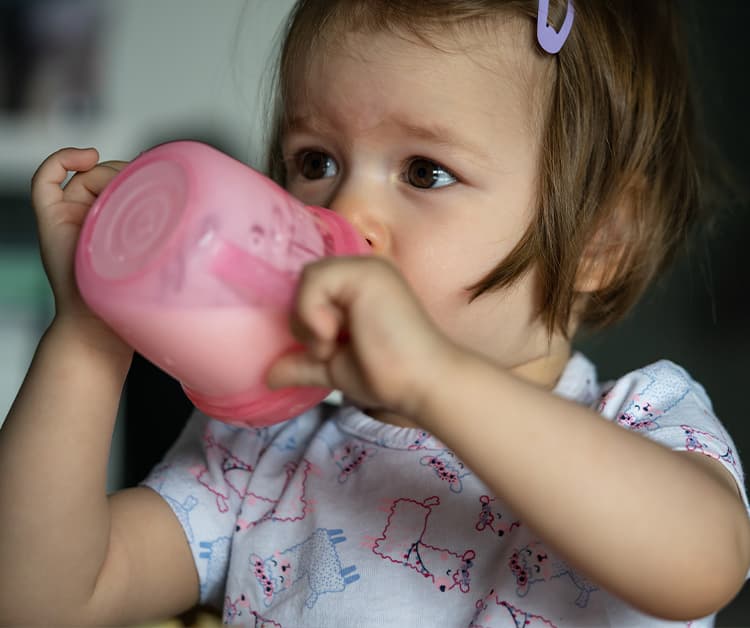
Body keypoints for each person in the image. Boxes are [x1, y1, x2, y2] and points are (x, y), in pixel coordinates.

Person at [1, 0, 749, 626]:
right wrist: (91, 332)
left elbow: (704, 565)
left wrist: (434, 382)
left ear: (597, 243)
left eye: (425, 171)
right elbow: (43, 599)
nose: (347, 211)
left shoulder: (640, 422)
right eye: (315, 161)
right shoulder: (269, 448)